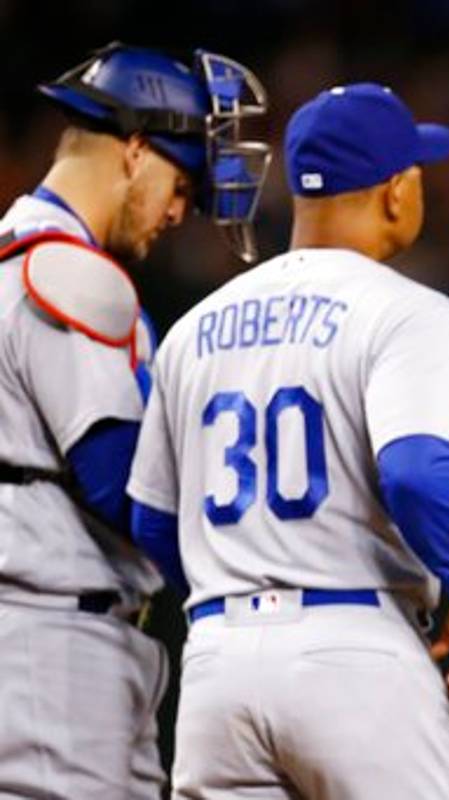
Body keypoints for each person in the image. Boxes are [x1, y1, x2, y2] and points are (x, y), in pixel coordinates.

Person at [127, 82, 449, 799]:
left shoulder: (194, 328)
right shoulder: (405, 311)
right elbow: (419, 473)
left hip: (217, 667)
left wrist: (233, 588)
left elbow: (152, 519)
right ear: (397, 191)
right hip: (354, 647)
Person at [0, 43, 268, 799]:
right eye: (181, 182)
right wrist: (259, 586)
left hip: (48, 638)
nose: (182, 210)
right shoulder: (67, 270)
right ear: (137, 152)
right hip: (49, 645)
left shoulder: (19, 257)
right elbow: (119, 485)